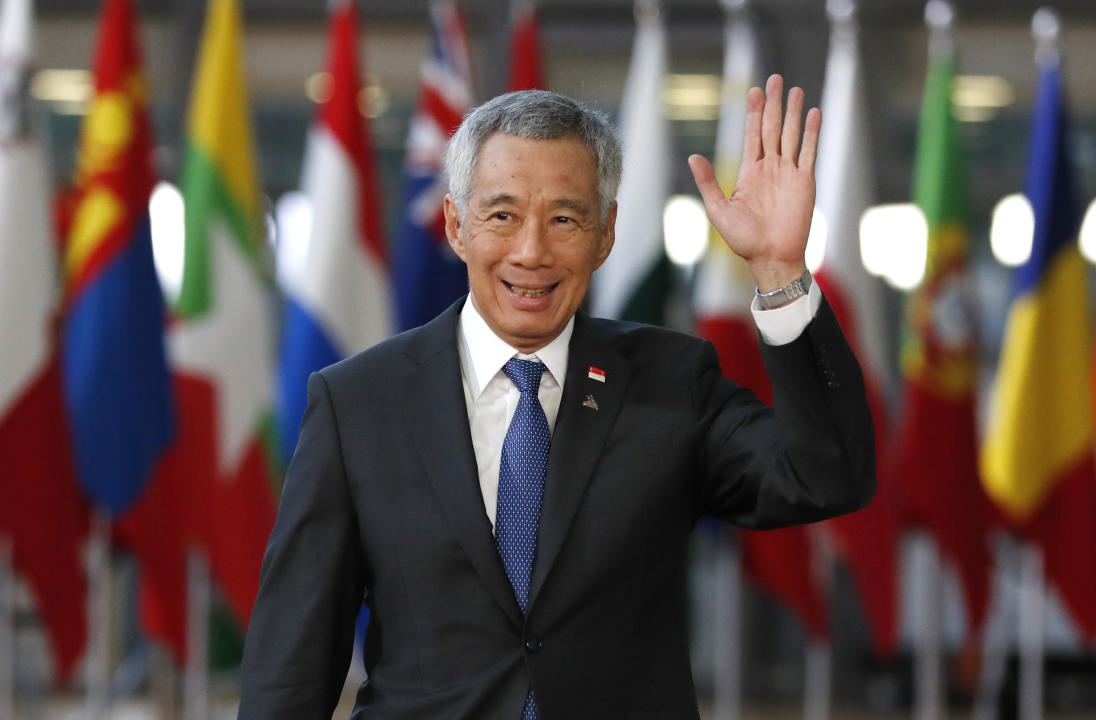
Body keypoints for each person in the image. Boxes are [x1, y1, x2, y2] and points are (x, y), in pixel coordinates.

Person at [239, 76, 875, 720]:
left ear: (605, 234)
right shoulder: (358, 404)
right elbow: (291, 663)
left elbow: (827, 477)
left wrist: (778, 271)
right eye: (502, 215)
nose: (531, 251)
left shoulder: (670, 381)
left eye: (565, 219)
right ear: (458, 226)